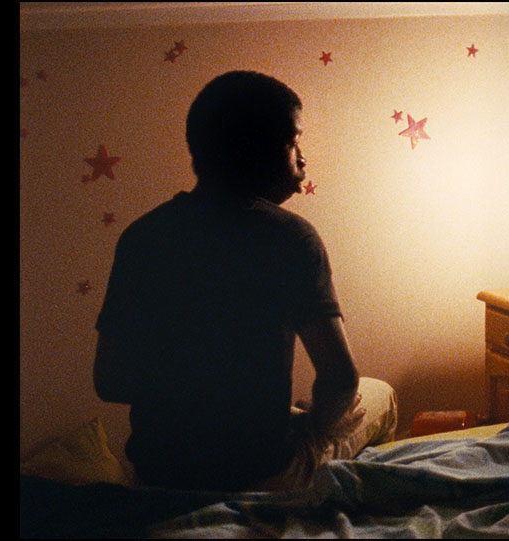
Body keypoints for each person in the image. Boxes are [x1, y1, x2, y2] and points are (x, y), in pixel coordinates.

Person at [93, 70, 396, 491]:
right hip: (258, 474)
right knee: (378, 395)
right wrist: (311, 433)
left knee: (302, 410)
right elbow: (340, 380)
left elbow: (109, 381)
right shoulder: (292, 239)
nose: (303, 159)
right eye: (294, 142)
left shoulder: (142, 237)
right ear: (258, 151)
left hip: (157, 475)